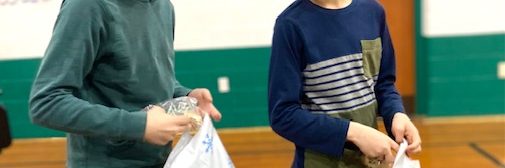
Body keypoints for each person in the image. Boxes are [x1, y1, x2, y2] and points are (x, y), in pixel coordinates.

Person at [29, 0, 221, 167]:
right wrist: (139, 125)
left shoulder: (164, 6)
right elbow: (46, 103)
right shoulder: (88, 5)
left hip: (161, 160)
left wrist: (184, 96)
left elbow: (148, 77)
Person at [268, 0, 421, 167]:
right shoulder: (290, 25)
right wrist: (353, 133)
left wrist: (396, 114)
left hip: (369, 163)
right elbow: (283, 115)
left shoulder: (373, 12)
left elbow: (384, 85)